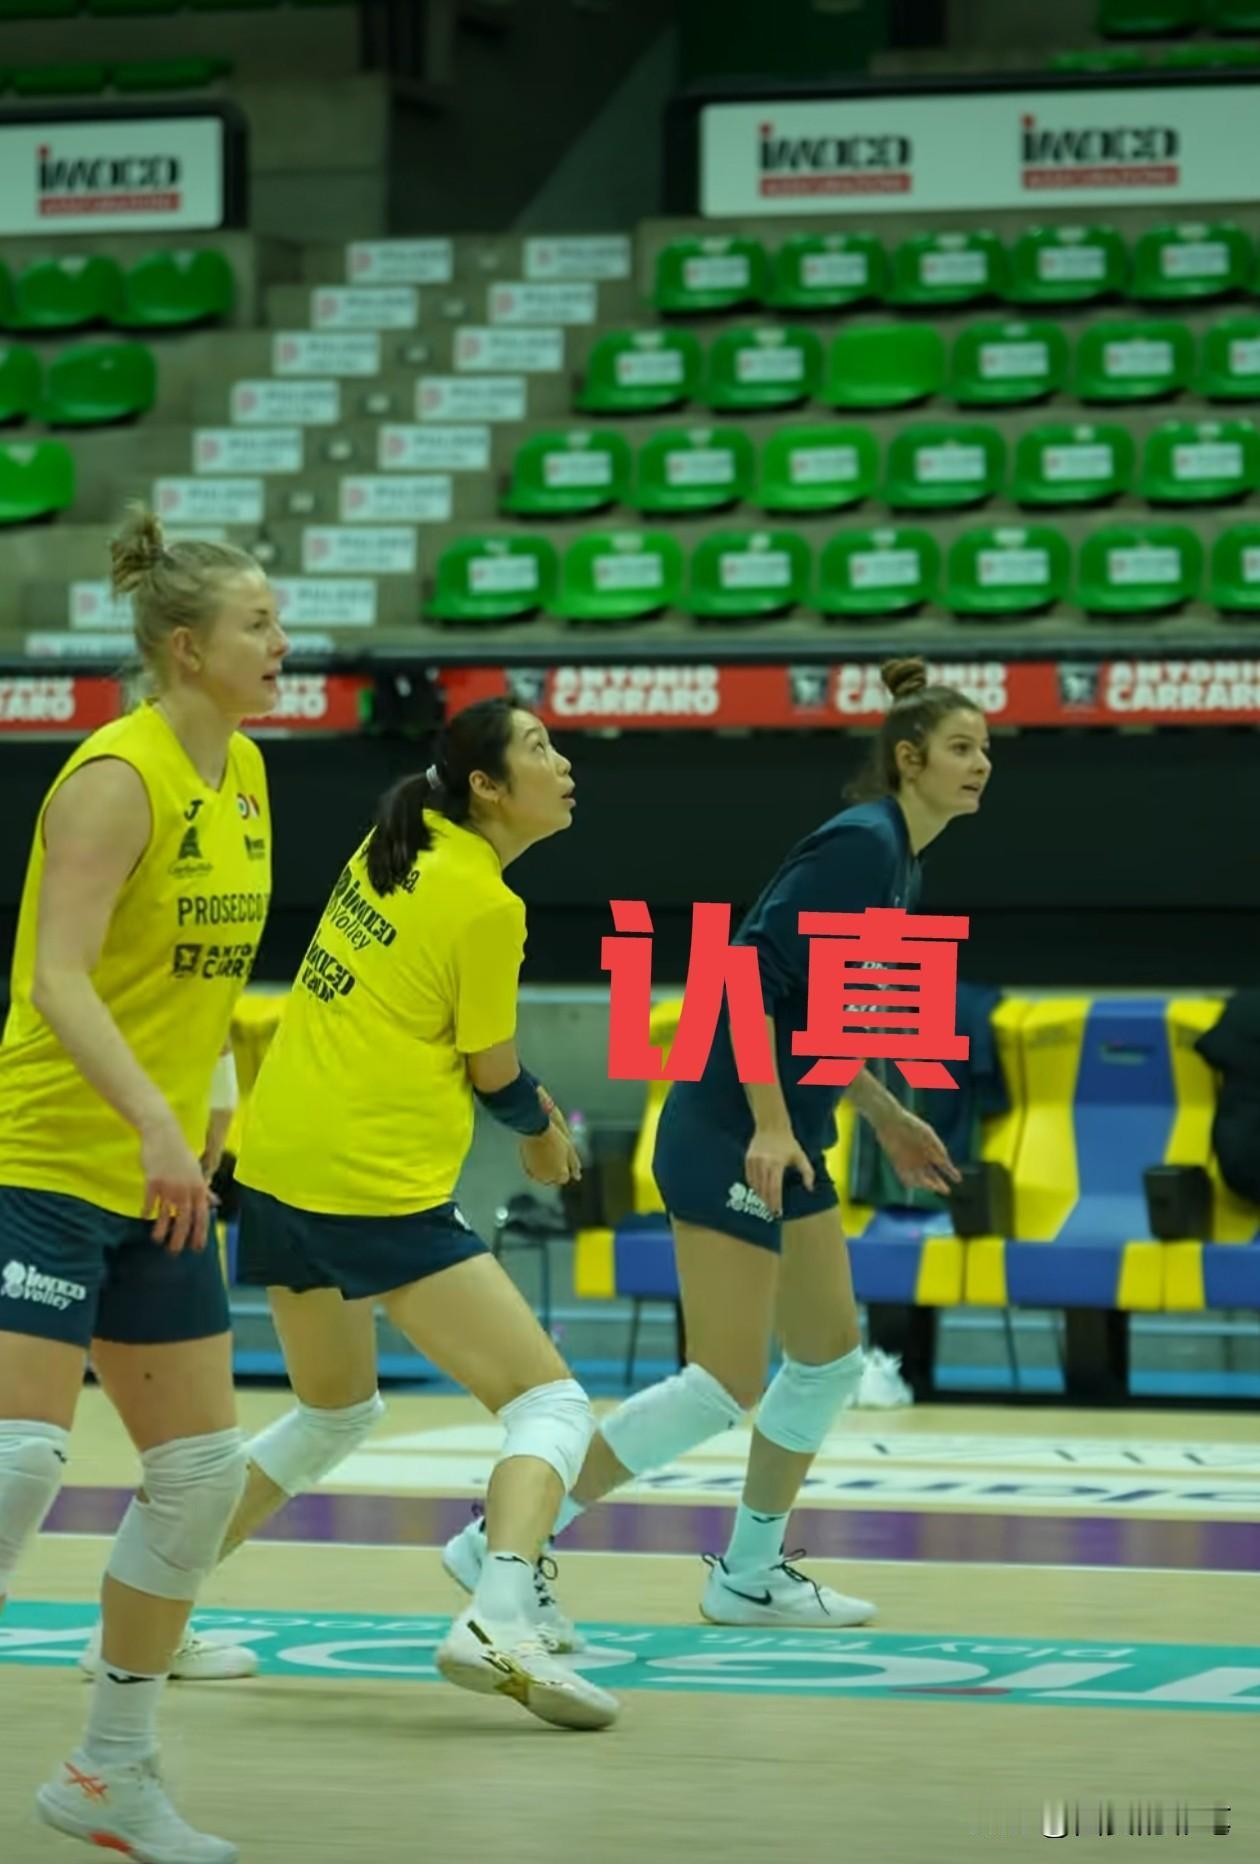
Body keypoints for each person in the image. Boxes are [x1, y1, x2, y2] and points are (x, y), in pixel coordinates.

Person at [444, 656, 991, 1629]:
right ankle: (502, 1539)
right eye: (961, 747)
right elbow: (742, 977)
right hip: (731, 1130)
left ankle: (748, 1574)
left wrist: (882, 1113)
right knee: (722, 1382)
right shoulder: (863, 844)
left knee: (827, 1358)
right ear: (909, 759)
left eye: (985, 749)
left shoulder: (899, 857)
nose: (981, 764)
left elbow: (815, 1013)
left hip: (790, 1133)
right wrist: (772, 1126)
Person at [205, 697, 617, 1731]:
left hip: (277, 1162)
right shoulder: (485, 903)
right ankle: (499, 1611)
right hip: (368, 1181)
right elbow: (495, 1072)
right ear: (487, 787)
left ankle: (146, 1608)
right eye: (539, 749)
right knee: (551, 1405)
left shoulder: (395, 839)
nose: (564, 764)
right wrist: (543, 1132)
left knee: (335, 1410)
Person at [0, 506, 288, 1862]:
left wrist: (206, 1115)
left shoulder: (247, 773)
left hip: (161, 1176)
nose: (282, 643)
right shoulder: (116, 778)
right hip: (46, 1155)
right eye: (258, 624)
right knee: (20, 1462)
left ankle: (109, 1772)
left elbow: (201, 980)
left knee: (200, 1477)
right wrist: (155, 1125)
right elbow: (58, 979)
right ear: (187, 647)